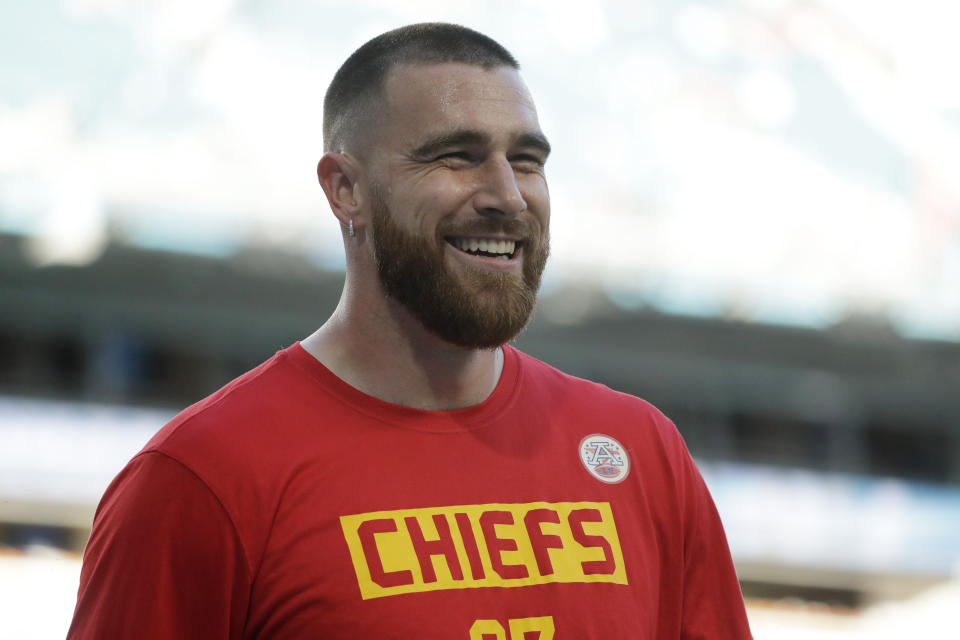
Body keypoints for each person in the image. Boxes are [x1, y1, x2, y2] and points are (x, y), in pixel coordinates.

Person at [68, 23, 752, 639]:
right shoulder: (203, 477)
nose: (508, 196)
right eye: (456, 156)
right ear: (346, 189)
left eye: (527, 160)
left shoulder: (641, 452)